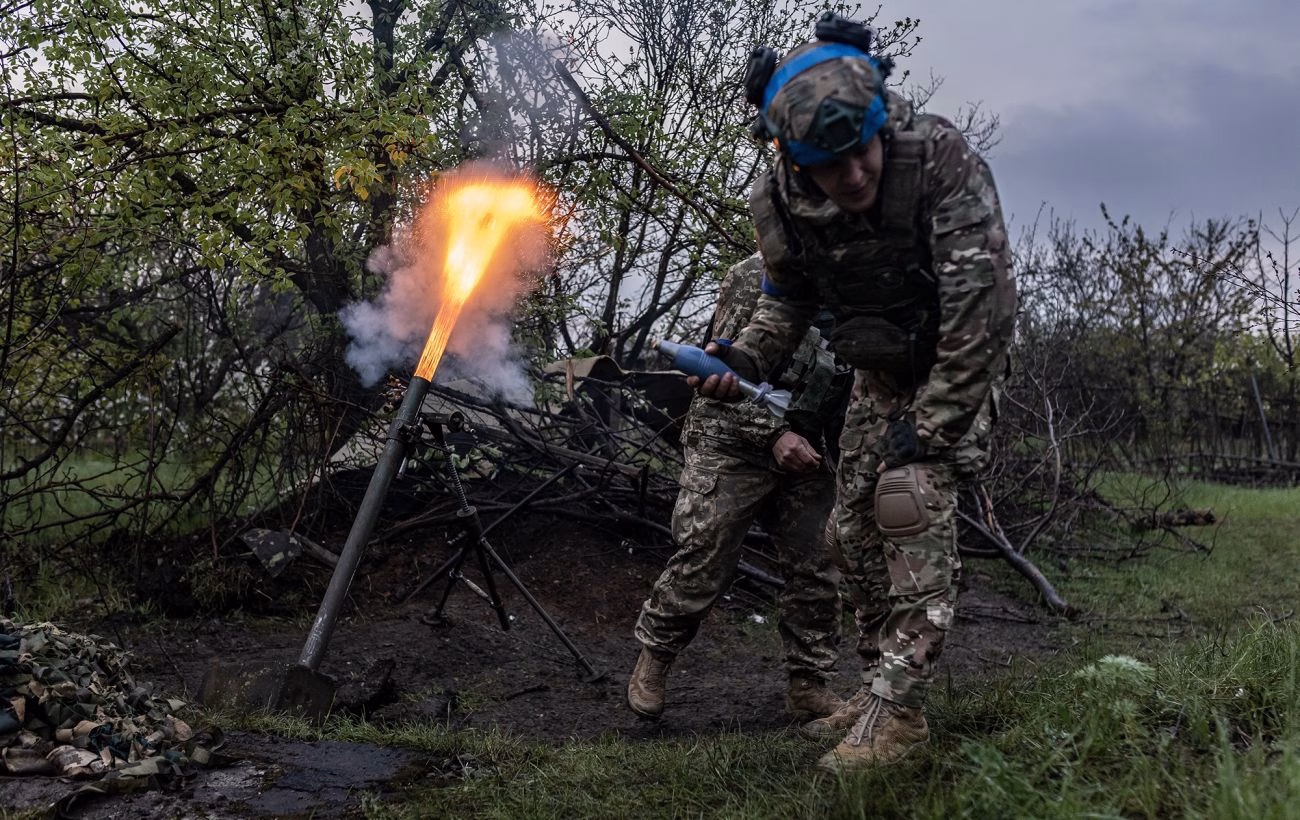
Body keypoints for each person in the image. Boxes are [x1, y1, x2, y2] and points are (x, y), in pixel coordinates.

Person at [692, 13, 1017, 772]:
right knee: (850, 534)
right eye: (830, 165)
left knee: (908, 502)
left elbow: (985, 308)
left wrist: (932, 427)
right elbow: (787, 301)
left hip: (955, 362)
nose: (855, 176)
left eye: (861, 152)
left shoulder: (937, 158)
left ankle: (900, 717)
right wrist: (742, 359)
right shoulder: (779, 203)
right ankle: (877, 689)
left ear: (879, 124)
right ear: (796, 160)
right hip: (878, 370)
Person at [627, 252, 852, 725]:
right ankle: (654, 659)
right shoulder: (756, 277)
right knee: (704, 554)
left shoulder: (863, 285)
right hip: (732, 439)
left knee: (818, 567)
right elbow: (724, 373)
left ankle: (808, 685)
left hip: (809, 448)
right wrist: (773, 436)